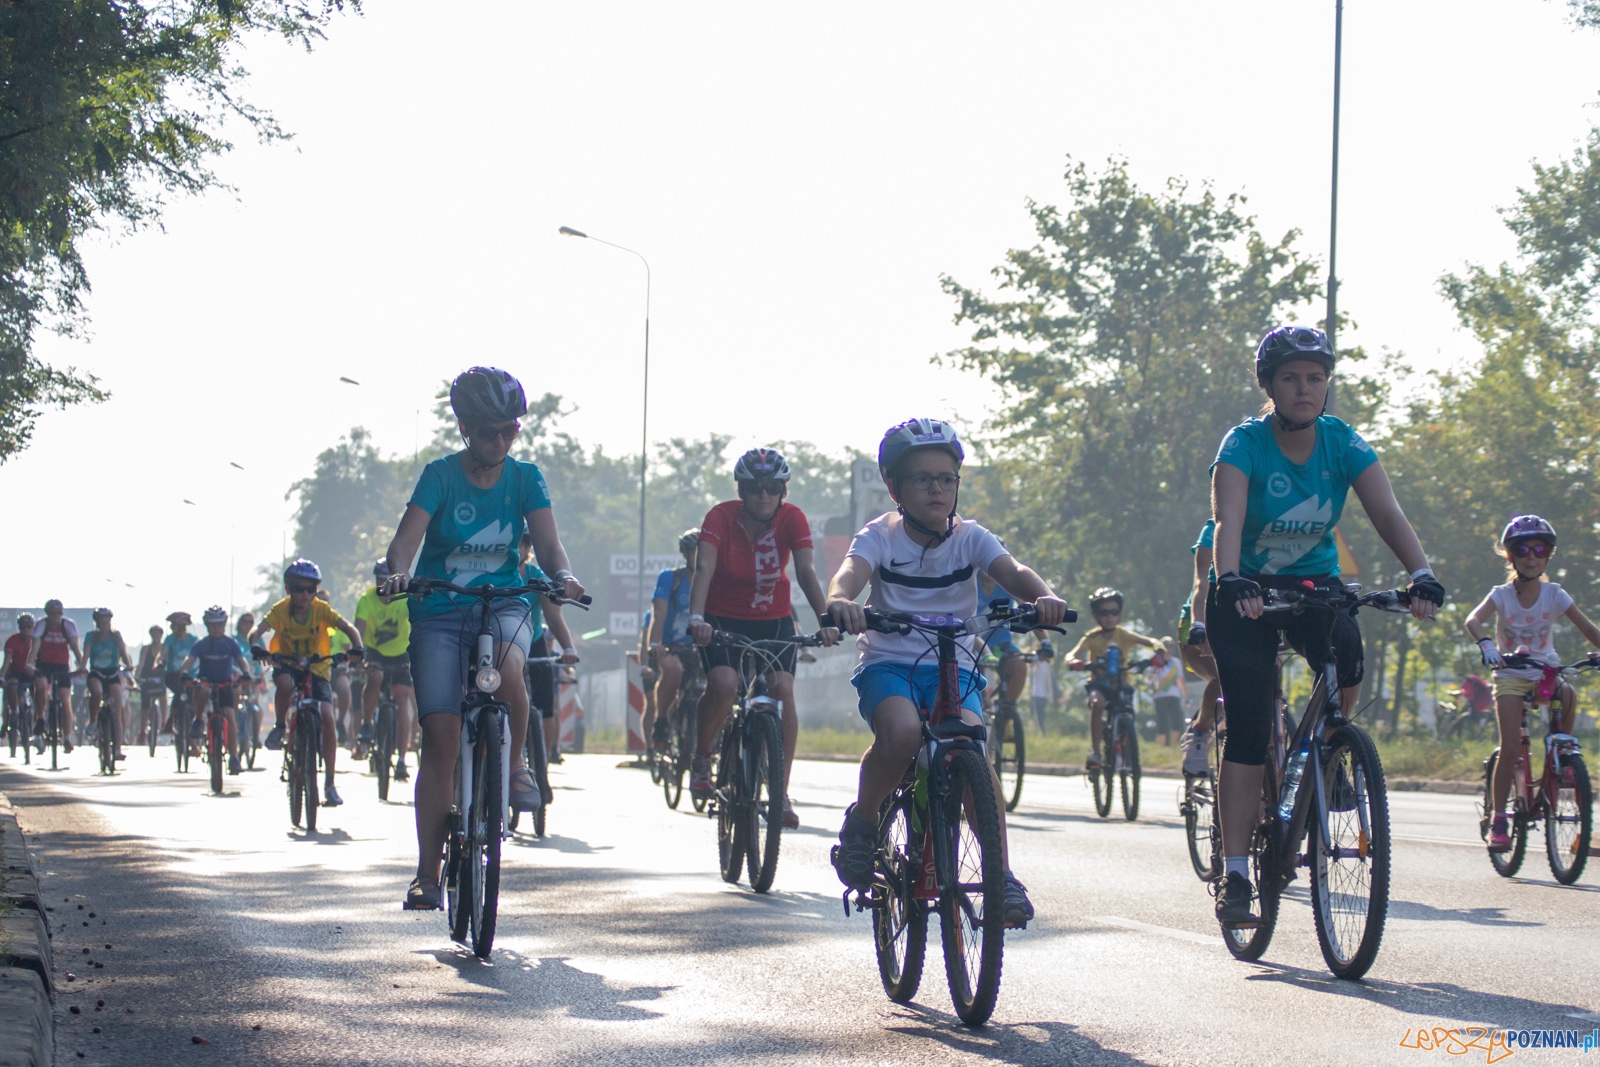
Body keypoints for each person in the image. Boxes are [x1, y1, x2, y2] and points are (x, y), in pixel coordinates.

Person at [1208, 325, 1443, 927]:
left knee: (1348, 657)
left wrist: (1420, 572)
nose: (1304, 388)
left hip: (1314, 587)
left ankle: (1333, 752)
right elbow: (1227, 518)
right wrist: (1231, 578)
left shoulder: (1343, 443)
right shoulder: (1243, 445)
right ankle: (1236, 873)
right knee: (1251, 725)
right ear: (1270, 386)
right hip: (1247, 594)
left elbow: (1386, 511)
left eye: (1315, 378)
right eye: (1290, 378)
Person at [826, 418, 1067, 927]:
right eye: (921, 479)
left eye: (946, 478)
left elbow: (1013, 571)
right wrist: (841, 600)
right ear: (894, 487)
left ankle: (999, 874)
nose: (937, 488)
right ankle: (864, 824)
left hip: (956, 663)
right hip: (890, 662)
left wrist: (1042, 597)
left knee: (973, 749)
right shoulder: (880, 536)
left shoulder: (971, 538)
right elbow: (850, 573)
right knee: (903, 733)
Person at [380, 366, 584, 912]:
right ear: (465, 426)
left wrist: (563, 577)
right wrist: (393, 572)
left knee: (512, 673)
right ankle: (427, 873)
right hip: (439, 610)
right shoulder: (440, 476)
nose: (501, 441)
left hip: (506, 604)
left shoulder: (526, 478)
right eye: (490, 430)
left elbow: (549, 548)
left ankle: (516, 766)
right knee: (441, 738)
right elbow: (404, 544)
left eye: (510, 430)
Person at [686, 447, 839, 830]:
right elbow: (703, 566)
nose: (764, 495)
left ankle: (780, 791)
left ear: (783, 490)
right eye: (755, 487)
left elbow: (805, 572)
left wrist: (825, 620)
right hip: (722, 617)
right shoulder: (720, 516)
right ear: (741, 490)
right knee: (723, 683)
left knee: (782, 690)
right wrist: (696, 618)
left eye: (773, 487)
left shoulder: (793, 518)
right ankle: (703, 755)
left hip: (774, 619)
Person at [1463, 515, 1600, 852]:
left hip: (1545, 674)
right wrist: (1487, 645)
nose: (1532, 555)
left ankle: (1561, 761)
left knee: (1568, 694)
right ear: (1510, 556)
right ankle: (1498, 818)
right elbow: (1473, 620)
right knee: (1511, 746)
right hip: (1509, 675)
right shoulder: (1502, 595)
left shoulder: (1555, 594)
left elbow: (1588, 629)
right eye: (1522, 549)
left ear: (1548, 555)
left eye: (1540, 549)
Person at [249, 559, 365, 808]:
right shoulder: (280, 610)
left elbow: (349, 628)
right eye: (298, 589)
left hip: (317, 667)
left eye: (310, 590)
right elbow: (256, 631)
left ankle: (330, 784)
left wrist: (358, 648)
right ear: (288, 589)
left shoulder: (321, 609)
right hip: (286, 662)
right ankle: (281, 726)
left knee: (327, 715)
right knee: (286, 686)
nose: (305, 595)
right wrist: (255, 646)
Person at [1065, 588, 1163, 771]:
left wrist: (1159, 650)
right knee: (1097, 704)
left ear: (1120, 614)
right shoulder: (1092, 637)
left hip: (1122, 684)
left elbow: (1150, 641)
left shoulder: (1124, 635)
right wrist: (1074, 661)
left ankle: (1126, 746)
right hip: (1099, 685)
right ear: (1096, 615)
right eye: (1104, 613)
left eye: (1114, 612)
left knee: (1127, 715)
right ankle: (1095, 751)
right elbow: (1072, 653)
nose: (1109, 617)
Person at [518, 535, 579, 769]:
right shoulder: (494, 573)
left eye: (523, 543)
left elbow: (554, 618)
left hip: (533, 643)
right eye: (515, 542)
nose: (518, 548)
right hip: (499, 642)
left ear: (528, 549)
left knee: (545, 706)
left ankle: (541, 766)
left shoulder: (536, 577)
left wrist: (569, 648)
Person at [355, 559, 418, 782]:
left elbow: (417, 623)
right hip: (374, 651)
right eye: (381, 580)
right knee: (375, 677)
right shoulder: (367, 600)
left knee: (402, 698)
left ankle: (401, 759)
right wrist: (359, 654)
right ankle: (366, 724)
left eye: (389, 580)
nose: (385, 584)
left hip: (401, 652)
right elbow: (359, 629)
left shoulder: (404, 600)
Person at [180, 607, 254, 775]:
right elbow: (189, 660)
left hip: (225, 684)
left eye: (220, 625)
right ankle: (198, 719)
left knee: (230, 714)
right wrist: (184, 672)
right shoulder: (202, 644)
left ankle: (234, 758)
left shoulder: (230, 643)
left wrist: (246, 673)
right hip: (206, 682)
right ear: (207, 626)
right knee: (203, 691)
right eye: (212, 625)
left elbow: (241, 660)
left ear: (225, 625)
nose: (216, 628)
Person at [645, 529, 699, 753]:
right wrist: (656, 644)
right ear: (685, 554)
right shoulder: (670, 578)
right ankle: (661, 720)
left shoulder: (714, 579)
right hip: (670, 644)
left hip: (698, 645)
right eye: (696, 551)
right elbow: (659, 614)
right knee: (673, 670)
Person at [1178, 519, 1223, 776]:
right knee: (1224, 675)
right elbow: (1202, 584)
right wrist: (1199, 624)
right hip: (1203, 618)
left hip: (1250, 621)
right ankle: (1200, 733)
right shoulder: (1212, 530)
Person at [28, 599, 84, 752]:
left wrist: (82, 666)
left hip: (61, 665)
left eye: (59, 613)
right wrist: (29, 663)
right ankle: (40, 717)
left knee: (65, 699)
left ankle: (67, 738)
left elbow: (75, 647)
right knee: (40, 686)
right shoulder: (41, 625)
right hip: (43, 664)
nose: (56, 617)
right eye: (53, 614)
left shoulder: (68, 625)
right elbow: (35, 646)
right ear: (47, 613)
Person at [83, 608, 132, 760]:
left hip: (113, 673)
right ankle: (93, 721)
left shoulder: (115, 635)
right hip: (97, 672)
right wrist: (81, 668)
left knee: (117, 713)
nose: (104, 625)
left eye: (107, 622)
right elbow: (85, 655)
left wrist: (128, 665)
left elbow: (123, 652)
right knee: (96, 693)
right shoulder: (91, 636)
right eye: (101, 622)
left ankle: (117, 750)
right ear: (97, 623)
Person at [161, 612, 200, 738]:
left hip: (190, 674)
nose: (173, 628)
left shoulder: (193, 640)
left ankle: (193, 724)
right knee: (180, 693)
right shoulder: (170, 639)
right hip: (173, 675)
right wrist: (162, 662)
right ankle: (171, 720)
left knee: (193, 699)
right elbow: (163, 654)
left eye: (175, 625)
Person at [3, 614, 35, 744]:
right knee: (11, 685)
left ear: (33, 627)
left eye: (28, 627)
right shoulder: (12, 640)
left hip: (31, 672)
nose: (26, 630)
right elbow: (6, 662)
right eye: (23, 627)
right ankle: (15, 711)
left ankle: (38, 719)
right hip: (16, 671)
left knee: (39, 691)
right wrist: (2, 676)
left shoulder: (36, 640)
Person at [1150, 637, 1186, 748]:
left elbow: (1180, 680)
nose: (1169, 649)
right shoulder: (1155, 660)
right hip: (1160, 695)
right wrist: (1156, 668)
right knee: (1162, 723)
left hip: (1174, 695)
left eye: (1171, 646)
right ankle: (1162, 747)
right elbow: (1150, 678)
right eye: (1167, 646)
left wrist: (1186, 696)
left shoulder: (1176, 662)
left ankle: (1172, 745)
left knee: (1177, 721)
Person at [136, 625, 167, 748]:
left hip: (160, 678)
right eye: (153, 634)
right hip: (147, 678)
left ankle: (164, 722)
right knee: (145, 703)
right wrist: (137, 678)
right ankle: (142, 730)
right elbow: (141, 663)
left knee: (163, 694)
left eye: (157, 634)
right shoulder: (145, 649)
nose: (156, 636)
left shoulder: (165, 648)